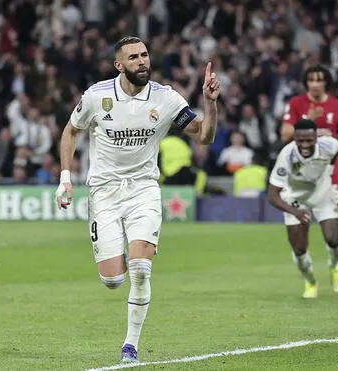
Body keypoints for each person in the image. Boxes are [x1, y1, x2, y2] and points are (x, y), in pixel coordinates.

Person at [54, 36, 220, 362]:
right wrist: (65, 178)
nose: (142, 61)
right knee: (114, 280)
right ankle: (127, 257)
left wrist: (209, 102)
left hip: (144, 188)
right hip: (104, 191)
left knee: (141, 270)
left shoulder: (166, 98)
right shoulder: (97, 96)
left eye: (145, 55)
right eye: (134, 57)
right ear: (119, 64)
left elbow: (205, 136)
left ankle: (130, 346)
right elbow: (71, 130)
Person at [281, 65, 338, 281]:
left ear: (326, 82)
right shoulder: (296, 104)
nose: (315, 83)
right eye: (311, 79)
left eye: (319, 79)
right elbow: (285, 135)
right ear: (306, 83)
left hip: (330, 174)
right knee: (302, 221)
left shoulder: (337, 106)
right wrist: (308, 119)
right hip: (302, 175)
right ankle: (305, 265)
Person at [269, 119, 338, 298]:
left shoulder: (330, 145)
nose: (304, 145)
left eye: (309, 140)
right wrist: (295, 211)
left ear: (316, 137)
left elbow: (335, 153)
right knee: (299, 249)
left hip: (321, 193)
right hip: (295, 199)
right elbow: (272, 196)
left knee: (333, 239)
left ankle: (334, 265)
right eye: (300, 140)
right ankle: (310, 282)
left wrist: (330, 171)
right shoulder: (286, 155)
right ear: (294, 138)